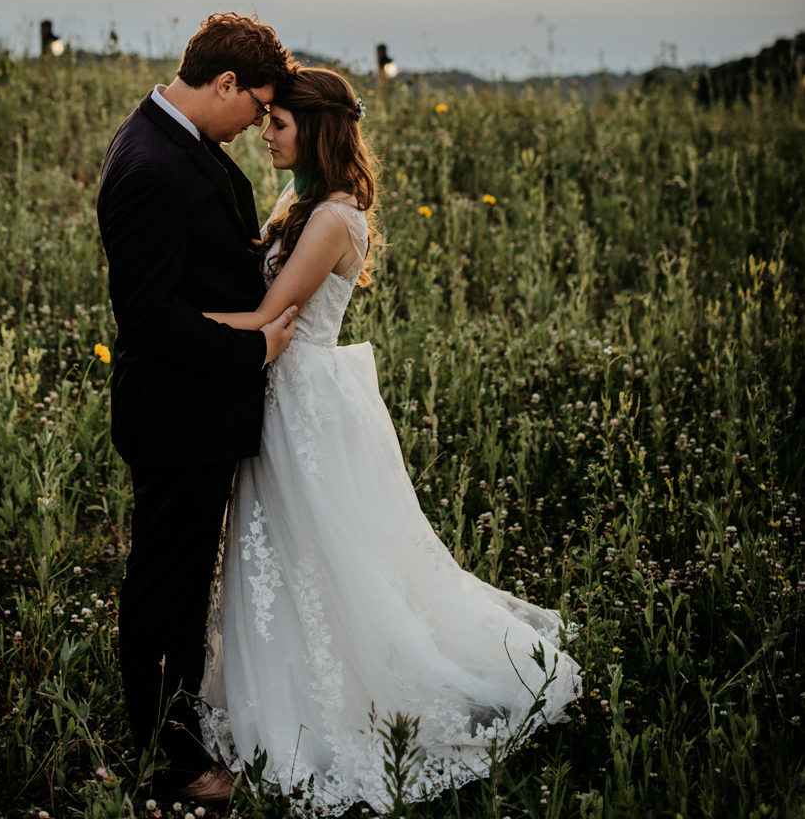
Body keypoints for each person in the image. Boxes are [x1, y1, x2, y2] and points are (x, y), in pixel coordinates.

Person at [199, 67, 582, 811]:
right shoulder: (300, 200)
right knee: (279, 551)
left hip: (301, 397)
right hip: (283, 391)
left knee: (318, 552)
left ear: (315, 128)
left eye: (277, 122)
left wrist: (167, 326)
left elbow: (271, 315)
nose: (264, 133)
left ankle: (354, 692)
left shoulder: (333, 218)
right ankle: (282, 676)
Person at [96, 13, 300, 805]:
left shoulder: (180, 141)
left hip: (198, 408)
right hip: (176, 412)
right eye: (256, 103)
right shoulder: (149, 163)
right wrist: (253, 350)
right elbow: (145, 315)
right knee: (165, 589)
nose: (257, 120)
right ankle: (168, 768)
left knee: (179, 585)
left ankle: (177, 736)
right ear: (224, 84)